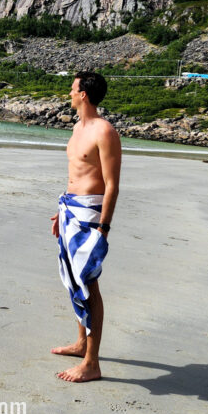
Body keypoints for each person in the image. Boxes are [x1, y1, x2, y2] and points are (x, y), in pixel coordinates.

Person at [50, 70, 121, 383]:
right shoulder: (78, 127)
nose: (69, 92)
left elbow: (111, 185)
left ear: (84, 94)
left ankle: (92, 362)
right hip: (71, 211)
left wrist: (103, 229)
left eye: (73, 88)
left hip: (91, 216)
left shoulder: (104, 132)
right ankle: (81, 344)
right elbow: (76, 174)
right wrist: (61, 211)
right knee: (74, 281)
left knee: (89, 283)